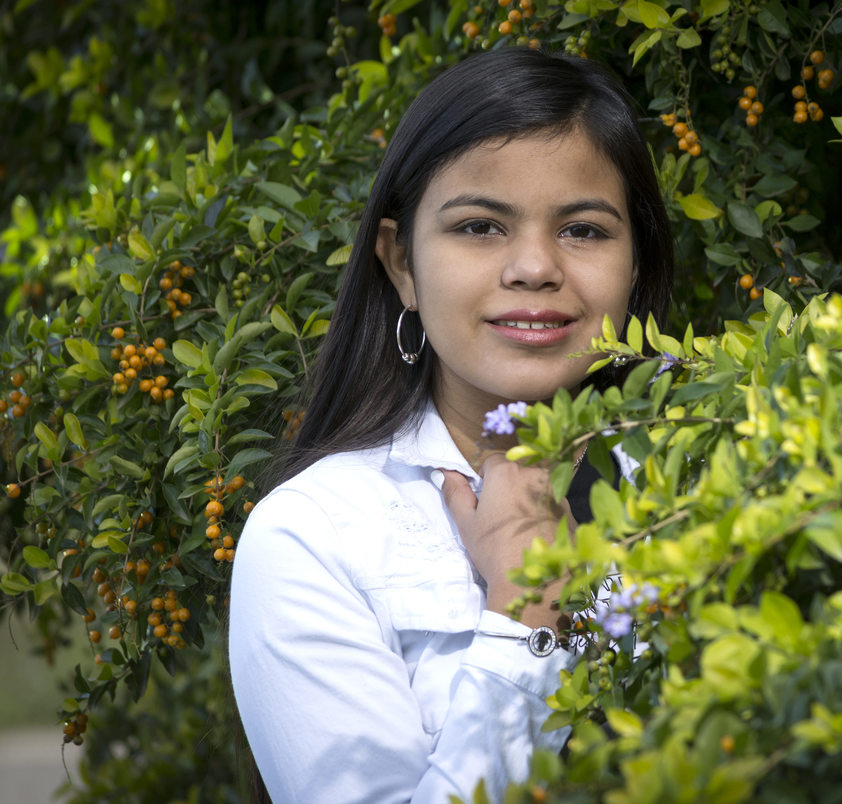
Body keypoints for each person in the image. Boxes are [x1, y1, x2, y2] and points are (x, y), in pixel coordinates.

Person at [228, 46, 673, 803]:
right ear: (401, 262)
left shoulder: (714, 483)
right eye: (479, 227)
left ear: (634, 264)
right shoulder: (314, 538)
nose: (534, 267)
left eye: (585, 231)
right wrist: (526, 610)